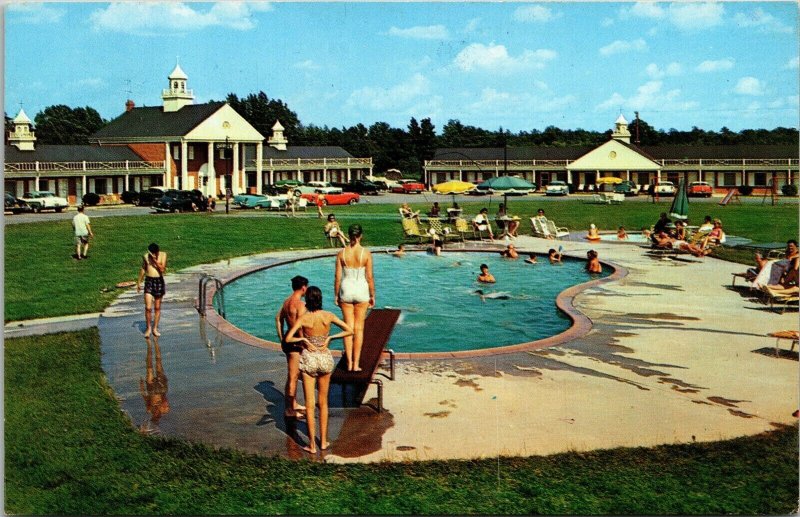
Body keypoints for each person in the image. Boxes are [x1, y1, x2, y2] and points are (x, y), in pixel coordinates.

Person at [284, 286, 353, 454]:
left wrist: (304, 340)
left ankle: (312, 446)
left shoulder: (305, 318)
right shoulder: (328, 316)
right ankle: (323, 442)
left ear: (307, 300)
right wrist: (330, 337)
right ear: (320, 299)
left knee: (309, 404)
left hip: (309, 359)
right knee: (323, 403)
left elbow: (288, 338)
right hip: (324, 358)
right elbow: (350, 330)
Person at [334, 224, 375, 372]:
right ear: (360, 236)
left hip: (346, 288)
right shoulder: (366, 253)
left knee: (348, 328)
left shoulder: (341, 253)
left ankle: (349, 362)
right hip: (361, 289)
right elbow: (369, 277)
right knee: (359, 328)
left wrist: (336, 294)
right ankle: (356, 364)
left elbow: (338, 277)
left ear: (349, 235)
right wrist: (372, 295)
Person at [275, 275, 309, 419]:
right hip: (297, 343)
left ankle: (293, 404)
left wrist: (282, 337)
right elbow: (300, 327)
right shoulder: (300, 305)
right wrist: (305, 342)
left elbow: (278, 319)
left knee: (292, 375)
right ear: (303, 287)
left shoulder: (286, 302)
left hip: (288, 339)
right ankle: (289, 410)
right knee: (293, 376)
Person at [137, 243, 167, 338]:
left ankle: (155, 328)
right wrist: (138, 282)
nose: (155, 254)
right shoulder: (146, 257)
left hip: (159, 281)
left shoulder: (163, 255)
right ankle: (148, 328)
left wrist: (154, 260)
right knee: (148, 308)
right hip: (149, 281)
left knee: (157, 307)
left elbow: (162, 269)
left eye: (156, 253)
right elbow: (143, 269)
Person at [139, 336, 170, 425]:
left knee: (149, 367)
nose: (156, 414)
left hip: (151, 390)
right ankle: (155, 343)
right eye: (157, 416)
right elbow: (165, 398)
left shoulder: (149, 409)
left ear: (152, 416)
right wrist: (163, 406)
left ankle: (149, 346)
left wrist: (141, 387)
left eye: (154, 416)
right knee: (159, 363)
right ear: (159, 416)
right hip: (161, 389)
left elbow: (145, 397)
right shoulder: (164, 410)